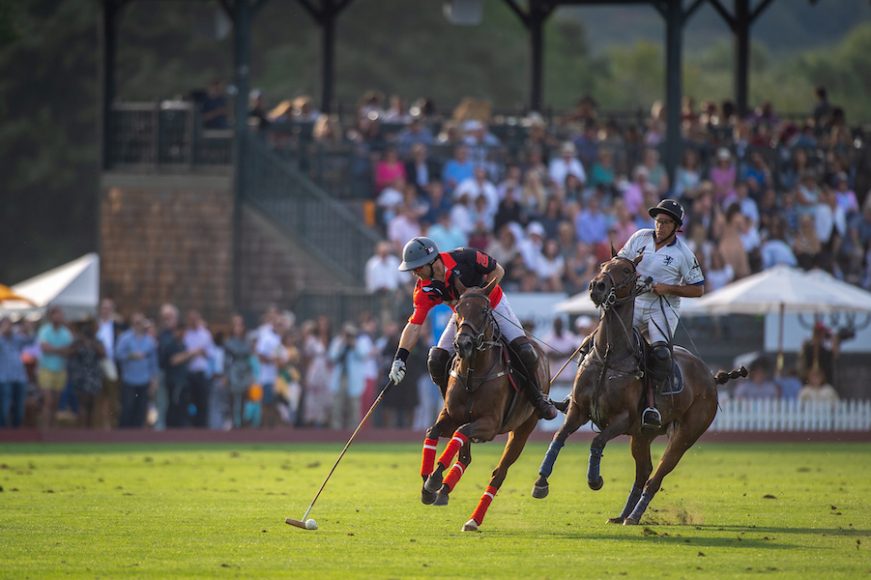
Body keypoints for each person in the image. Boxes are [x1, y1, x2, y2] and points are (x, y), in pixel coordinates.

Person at [386, 236, 557, 419]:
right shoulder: (424, 290)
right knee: (436, 359)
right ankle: (450, 406)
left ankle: (537, 398)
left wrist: (481, 296)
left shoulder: (464, 257)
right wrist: (400, 358)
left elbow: (498, 271)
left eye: (418, 268)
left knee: (525, 351)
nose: (415, 274)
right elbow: (414, 325)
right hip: (464, 318)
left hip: (494, 304)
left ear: (432, 261)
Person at [617, 199, 705, 427]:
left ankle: (651, 406)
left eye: (666, 222)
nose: (660, 226)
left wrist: (667, 288)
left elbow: (698, 289)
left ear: (677, 226)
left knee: (660, 354)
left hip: (663, 307)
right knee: (606, 338)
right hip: (635, 302)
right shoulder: (639, 237)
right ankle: (583, 393)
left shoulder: (683, 253)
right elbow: (620, 262)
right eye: (658, 221)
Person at [37, 306, 73, 428]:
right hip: (46, 369)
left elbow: (69, 351)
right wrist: (60, 350)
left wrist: (52, 349)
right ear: (51, 316)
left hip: (60, 370)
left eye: (60, 314)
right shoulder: (44, 330)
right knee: (48, 401)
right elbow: (44, 348)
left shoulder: (66, 333)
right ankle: (45, 429)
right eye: (55, 314)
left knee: (56, 402)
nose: (58, 317)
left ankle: (52, 430)